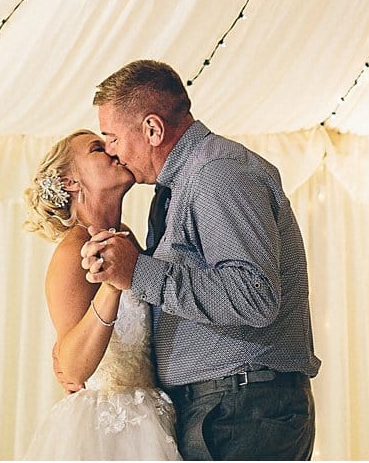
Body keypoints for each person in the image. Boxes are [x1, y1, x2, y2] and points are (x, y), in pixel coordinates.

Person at [80, 60, 318, 461]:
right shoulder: (182, 183)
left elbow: (254, 297)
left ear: (153, 129)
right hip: (225, 406)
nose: (112, 152)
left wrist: (137, 271)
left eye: (113, 137)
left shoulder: (217, 173)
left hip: (243, 410)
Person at [21, 130, 182, 460]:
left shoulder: (128, 240)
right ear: (69, 182)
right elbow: (73, 368)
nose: (113, 151)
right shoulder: (71, 253)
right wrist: (111, 286)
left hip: (158, 417)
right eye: (98, 148)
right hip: (106, 432)